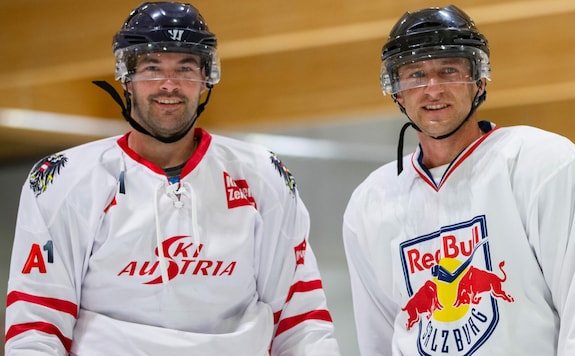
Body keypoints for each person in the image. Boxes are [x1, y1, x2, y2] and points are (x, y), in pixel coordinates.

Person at [5, 2, 340, 355]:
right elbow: (36, 327)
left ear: (205, 79)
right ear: (128, 79)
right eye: (152, 68)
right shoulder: (63, 180)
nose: (169, 84)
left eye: (185, 68)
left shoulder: (263, 176)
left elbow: (301, 321)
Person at [342, 5, 575, 355]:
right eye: (416, 74)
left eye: (449, 70)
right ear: (398, 91)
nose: (432, 88)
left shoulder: (544, 163)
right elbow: (378, 339)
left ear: (479, 80)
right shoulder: (369, 202)